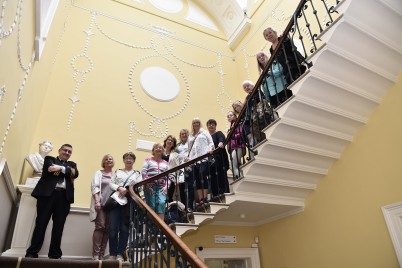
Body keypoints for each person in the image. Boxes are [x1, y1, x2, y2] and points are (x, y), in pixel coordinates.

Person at [25, 144, 79, 259]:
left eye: (69, 151)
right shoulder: (49, 159)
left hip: (64, 198)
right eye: (65, 150)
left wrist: (60, 168)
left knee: (58, 227)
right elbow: (49, 168)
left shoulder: (72, 164)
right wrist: (66, 171)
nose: (67, 152)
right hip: (47, 196)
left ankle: (55, 254)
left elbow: (75, 173)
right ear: (59, 151)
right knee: (41, 224)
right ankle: (32, 252)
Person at [108, 152, 141, 261]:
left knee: (124, 229)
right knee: (113, 228)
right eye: (126, 158)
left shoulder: (137, 173)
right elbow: (111, 183)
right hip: (116, 203)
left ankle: (120, 254)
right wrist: (119, 188)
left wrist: (129, 191)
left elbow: (139, 187)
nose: (128, 160)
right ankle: (112, 253)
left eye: (131, 158)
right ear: (123, 160)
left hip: (129, 203)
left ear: (133, 161)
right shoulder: (117, 171)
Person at [89, 154, 114, 260]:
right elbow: (94, 187)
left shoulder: (116, 174)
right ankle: (96, 254)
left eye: (111, 159)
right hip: (101, 204)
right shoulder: (99, 173)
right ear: (103, 162)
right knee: (100, 227)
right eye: (106, 159)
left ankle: (102, 255)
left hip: (112, 205)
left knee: (108, 229)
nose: (109, 160)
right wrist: (97, 201)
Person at [187, 118, 214, 207]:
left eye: (198, 122)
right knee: (197, 179)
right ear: (192, 124)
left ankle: (205, 197)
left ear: (200, 123)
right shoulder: (191, 136)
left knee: (202, 174)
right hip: (194, 160)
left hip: (203, 157)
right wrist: (187, 157)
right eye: (194, 122)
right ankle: (201, 199)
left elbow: (211, 142)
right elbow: (189, 148)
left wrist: (210, 149)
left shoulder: (204, 132)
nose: (196, 124)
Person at [142, 143, 170, 221]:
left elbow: (169, 177)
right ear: (153, 150)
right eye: (156, 148)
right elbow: (144, 173)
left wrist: (166, 187)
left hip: (161, 187)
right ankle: (151, 228)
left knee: (161, 204)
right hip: (150, 186)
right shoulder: (148, 160)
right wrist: (147, 185)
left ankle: (160, 229)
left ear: (163, 151)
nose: (158, 149)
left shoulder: (166, 163)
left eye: (160, 148)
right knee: (151, 206)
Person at [206, 119, 229, 197]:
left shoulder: (218, 133)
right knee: (212, 178)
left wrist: (221, 142)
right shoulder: (206, 137)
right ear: (207, 127)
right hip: (211, 162)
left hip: (220, 160)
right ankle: (215, 194)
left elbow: (221, 138)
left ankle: (224, 192)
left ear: (215, 126)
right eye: (209, 124)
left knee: (221, 176)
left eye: (213, 124)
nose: (211, 126)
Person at [175, 129, 193, 212]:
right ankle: (184, 207)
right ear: (180, 135)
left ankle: (190, 206)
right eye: (182, 134)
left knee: (190, 186)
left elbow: (194, 152)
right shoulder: (177, 146)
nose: (184, 135)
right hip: (180, 168)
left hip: (189, 166)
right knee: (182, 188)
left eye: (185, 133)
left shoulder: (191, 143)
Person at [227, 111, 246, 180]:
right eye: (228, 116)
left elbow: (240, 134)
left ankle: (241, 180)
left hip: (238, 146)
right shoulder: (231, 126)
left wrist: (231, 135)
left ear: (235, 116)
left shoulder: (238, 123)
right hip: (233, 148)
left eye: (231, 115)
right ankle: (242, 177)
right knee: (237, 165)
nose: (229, 117)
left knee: (232, 165)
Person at [162, 135, 180, 203]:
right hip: (160, 177)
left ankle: (166, 212)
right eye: (168, 140)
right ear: (165, 141)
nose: (169, 141)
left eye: (172, 141)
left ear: (173, 144)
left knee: (168, 196)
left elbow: (177, 167)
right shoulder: (160, 151)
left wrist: (177, 179)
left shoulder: (176, 155)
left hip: (170, 177)